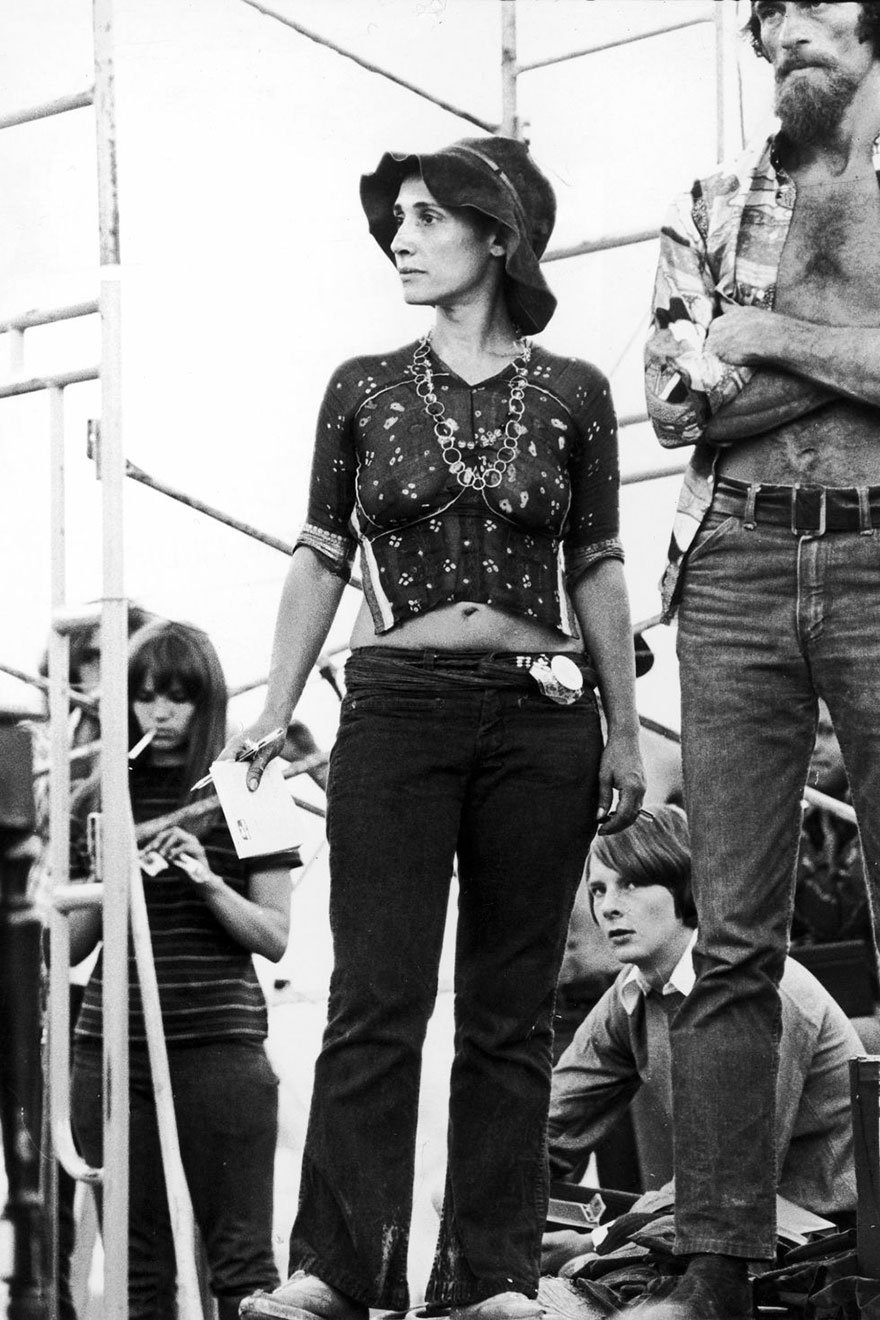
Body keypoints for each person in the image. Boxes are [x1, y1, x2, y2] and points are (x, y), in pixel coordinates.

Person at [229, 135, 646, 1320]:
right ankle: (335, 1268)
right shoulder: (361, 385)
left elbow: (597, 564)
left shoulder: (577, 392)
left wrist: (623, 731)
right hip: (396, 710)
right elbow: (321, 551)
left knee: (510, 1011)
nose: (399, 241)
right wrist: (273, 705)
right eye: (394, 221)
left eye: (424, 217)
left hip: (540, 714)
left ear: (495, 234)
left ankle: (490, 1275)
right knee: (376, 994)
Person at [643, 4, 880, 1315]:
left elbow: (725, 369)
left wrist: (768, 336)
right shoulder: (712, 201)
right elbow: (676, 401)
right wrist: (853, 355)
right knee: (730, 933)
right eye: (769, 10)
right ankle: (716, 1266)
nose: (791, 27)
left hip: (875, 551)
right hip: (731, 562)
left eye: (817, 2)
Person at [67, 620, 296, 1320]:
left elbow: (275, 936)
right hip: (112, 1048)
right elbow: (70, 947)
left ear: (208, 701)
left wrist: (207, 880)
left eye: (178, 697)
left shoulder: (248, 788)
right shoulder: (100, 795)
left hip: (218, 1048)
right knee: (137, 1272)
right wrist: (107, 878)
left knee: (242, 1266)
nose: (159, 714)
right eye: (144, 697)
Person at [542, 806, 859, 1279]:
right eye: (598, 889)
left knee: (588, 1272)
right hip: (718, 1210)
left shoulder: (762, 990)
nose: (607, 907)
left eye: (631, 883)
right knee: (469, 1205)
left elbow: (731, 1178)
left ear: (686, 885)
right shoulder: (633, 990)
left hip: (820, 1230)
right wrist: (493, 1200)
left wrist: (596, 1241)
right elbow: (550, 1125)